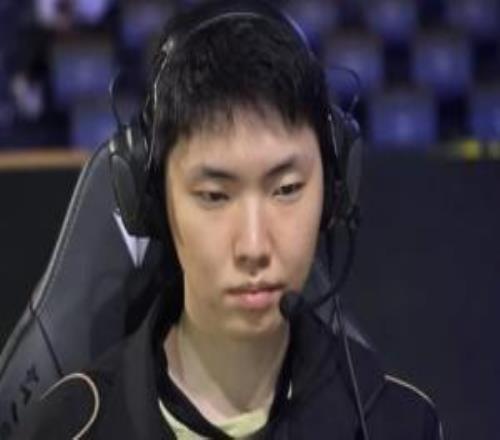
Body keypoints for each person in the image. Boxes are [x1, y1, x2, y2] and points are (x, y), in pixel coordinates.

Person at [16, 0, 443, 438]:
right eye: (215, 196)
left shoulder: (401, 425)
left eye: (287, 189)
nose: (254, 247)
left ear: (335, 189)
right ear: (154, 202)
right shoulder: (65, 429)